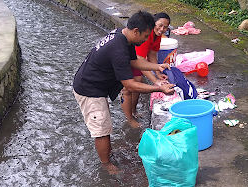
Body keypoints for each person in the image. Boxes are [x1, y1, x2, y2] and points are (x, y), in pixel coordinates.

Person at [73, 11, 175, 174]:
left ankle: (108, 153)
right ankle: (106, 165)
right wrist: (159, 87)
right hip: (89, 89)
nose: (145, 40)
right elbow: (130, 85)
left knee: (104, 124)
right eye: (145, 35)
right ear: (136, 31)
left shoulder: (122, 35)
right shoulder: (118, 48)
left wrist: (157, 67)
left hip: (97, 84)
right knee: (101, 129)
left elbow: (133, 61)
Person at [121, 12, 171, 128]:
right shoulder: (145, 36)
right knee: (129, 88)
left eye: (165, 27)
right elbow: (140, 62)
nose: (162, 29)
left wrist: (158, 73)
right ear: (153, 23)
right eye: (160, 25)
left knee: (137, 83)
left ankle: (133, 111)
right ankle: (129, 118)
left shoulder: (157, 36)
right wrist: (156, 81)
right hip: (133, 59)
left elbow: (152, 55)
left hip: (137, 59)